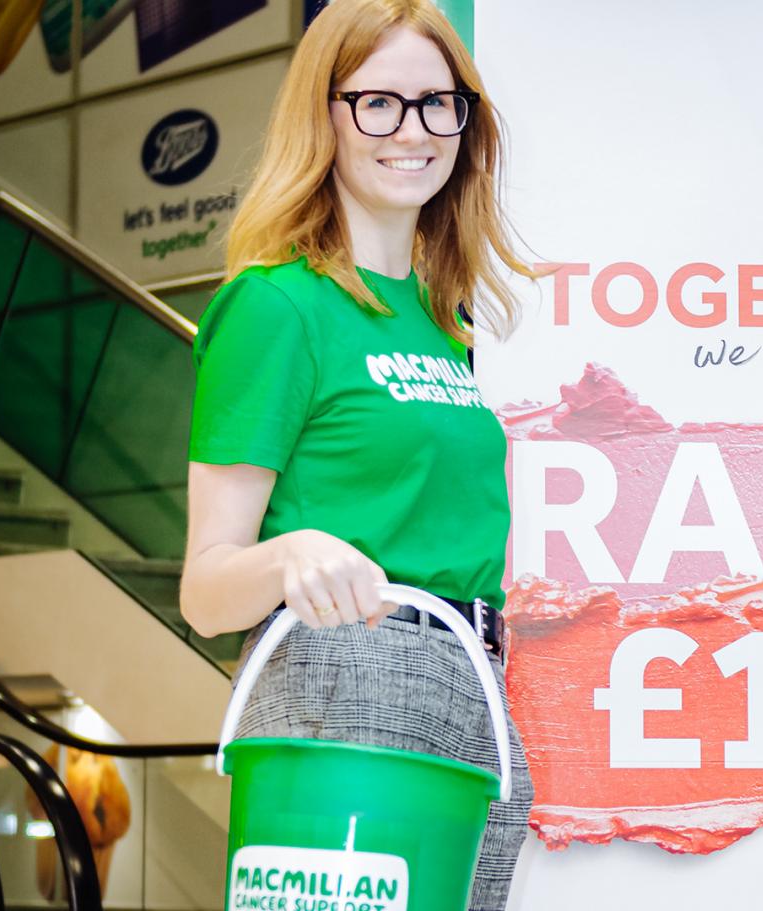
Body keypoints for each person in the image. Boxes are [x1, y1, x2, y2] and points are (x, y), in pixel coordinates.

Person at [178, 1, 537, 908]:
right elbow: (207, 589)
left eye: (436, 103)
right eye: (377, 102)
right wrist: (293, 552)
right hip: (341, 681)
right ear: (323, 115)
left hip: (474, 682)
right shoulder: (276, 307)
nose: (410, 131)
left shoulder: (442, 322)